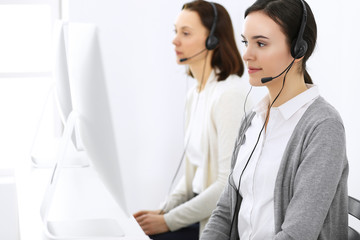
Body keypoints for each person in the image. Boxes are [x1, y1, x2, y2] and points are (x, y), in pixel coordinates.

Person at [201, 0, 348, 239]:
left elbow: (297, 234)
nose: (247, 55)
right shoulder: (253, 119)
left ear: (299, 49)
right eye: (245, 42)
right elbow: (225, 211)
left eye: (260, 43)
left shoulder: (323, 126)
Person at [133, 1, 251, 239]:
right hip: (196, 211)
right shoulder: (195, 94)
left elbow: (226, 185)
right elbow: (190, 178)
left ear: (213, 40)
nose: (175, 40)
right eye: (175, 31)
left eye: (185, 33)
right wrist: (163, 210)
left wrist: (167, 222)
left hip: (215, 220)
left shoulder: (229, 95)